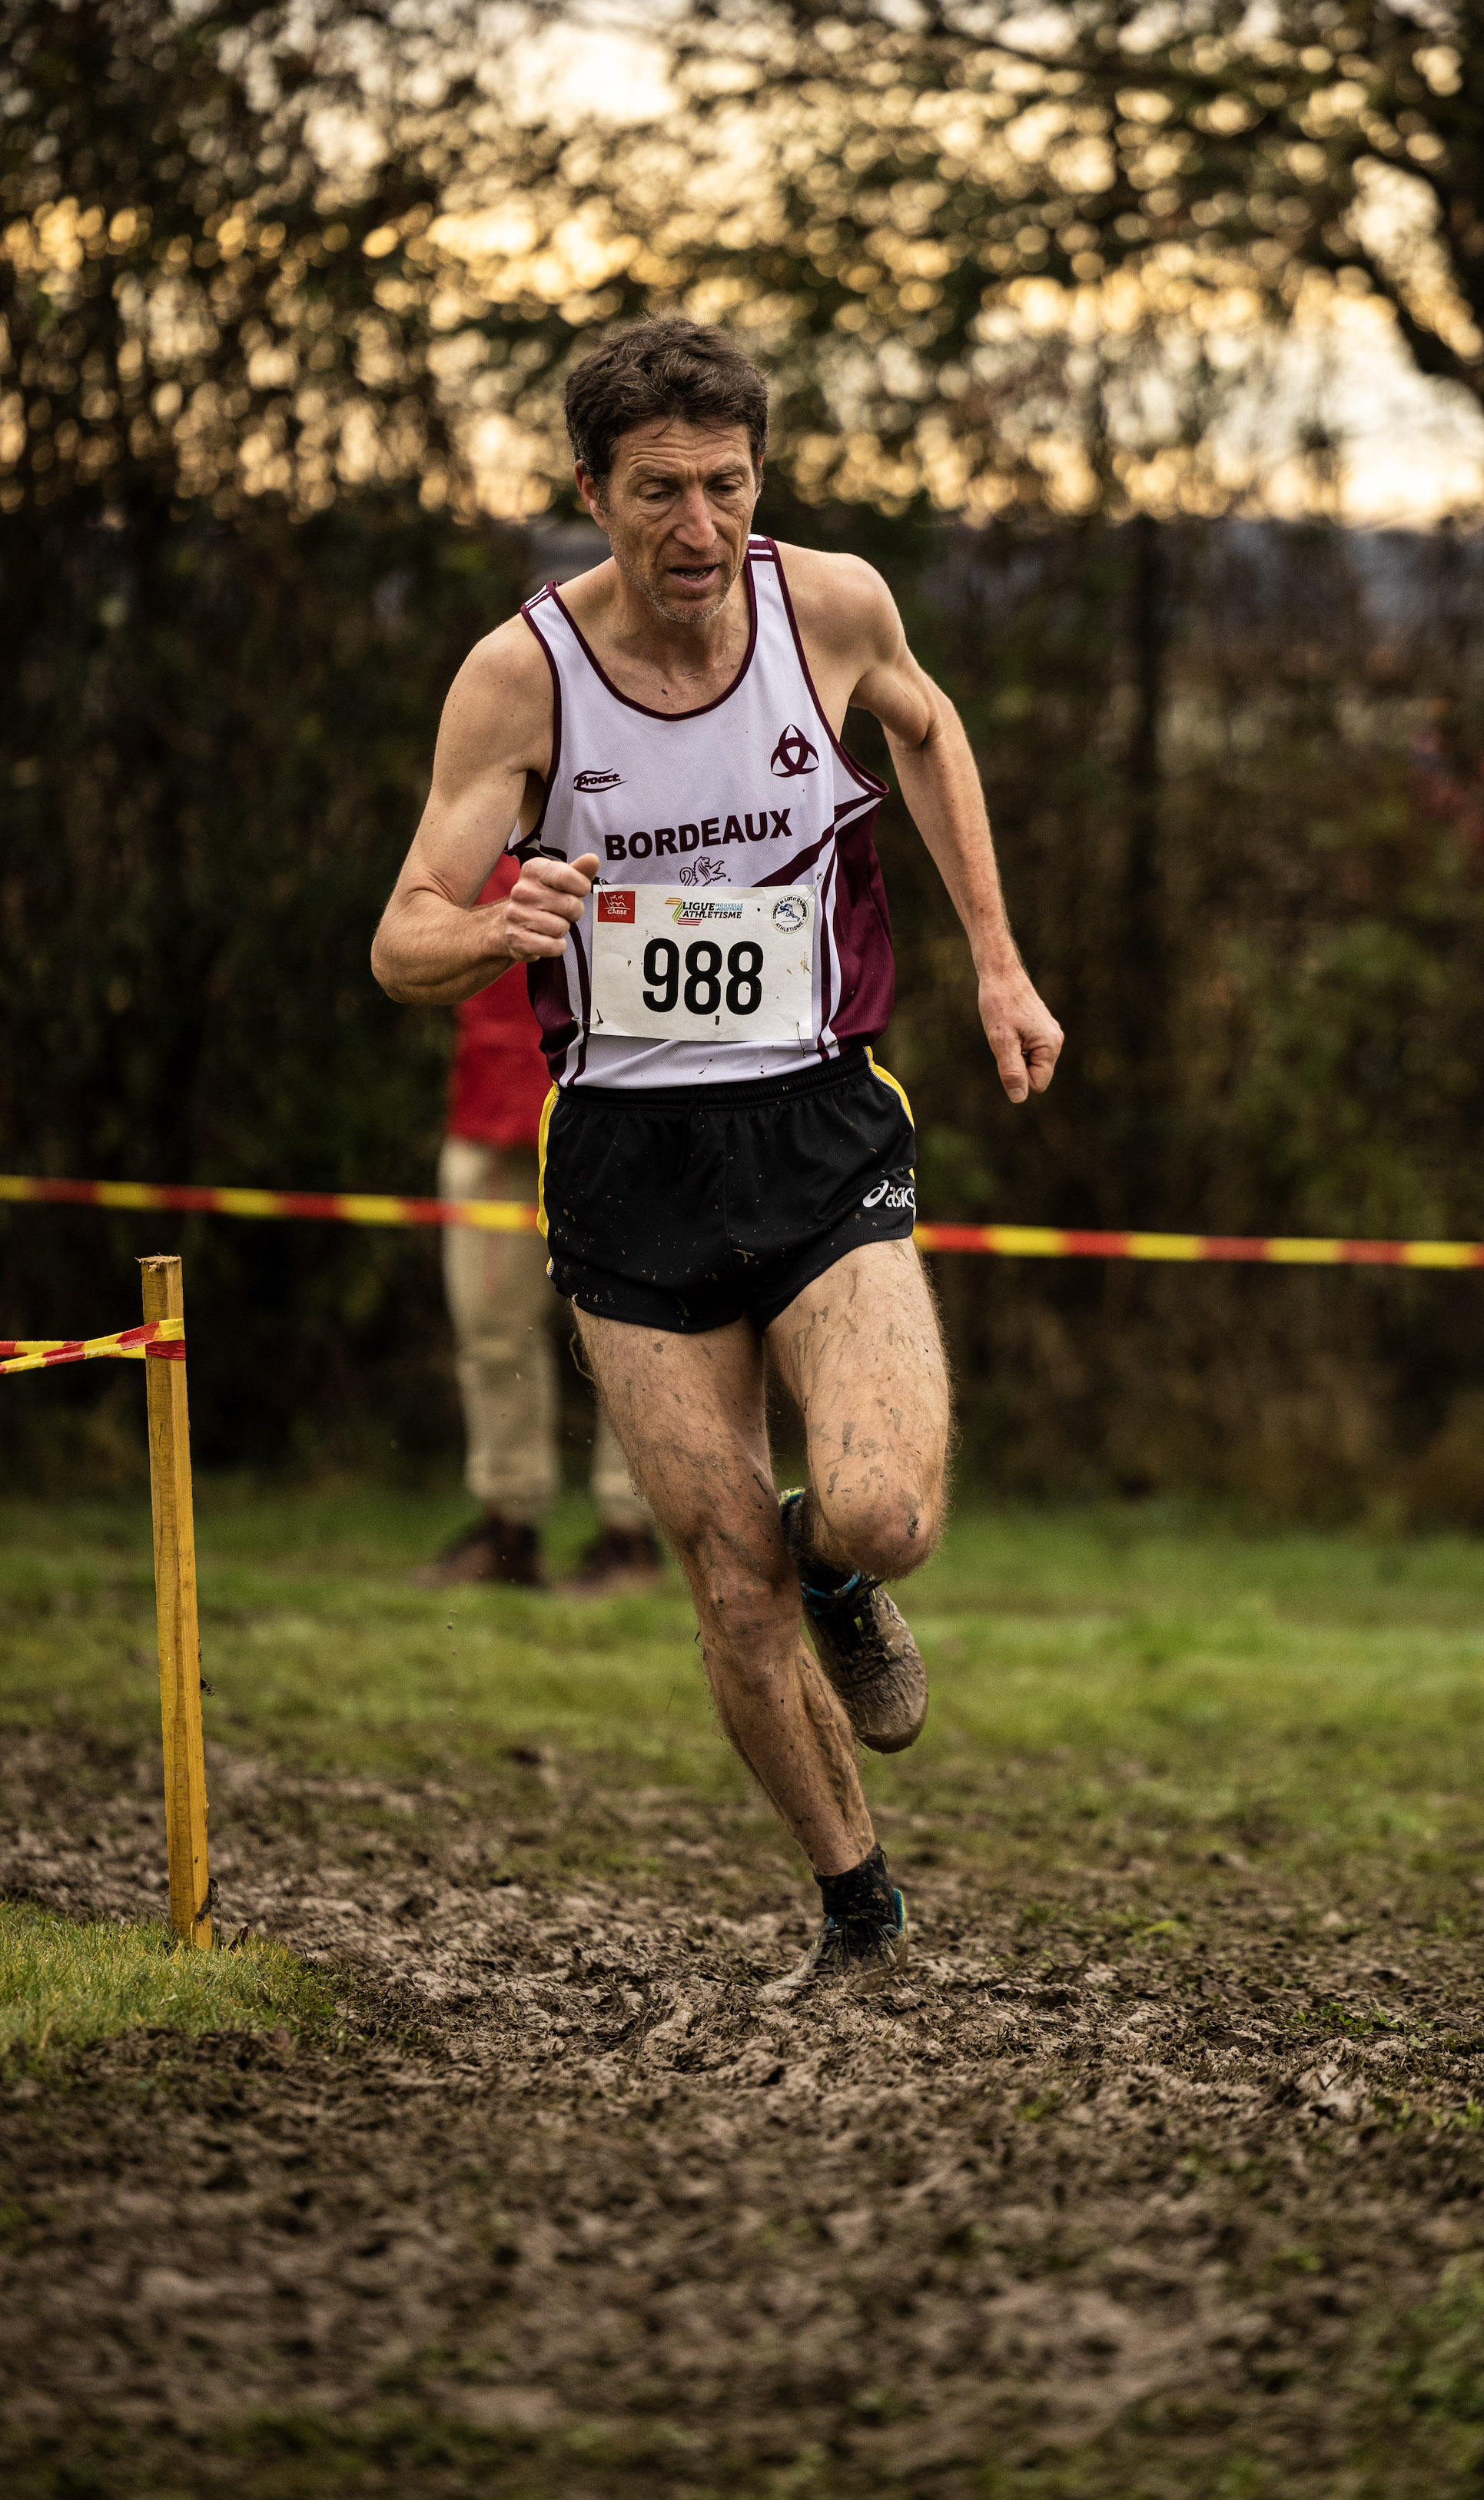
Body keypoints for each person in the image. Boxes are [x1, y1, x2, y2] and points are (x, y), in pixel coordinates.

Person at [372, 317, 1062, 1999]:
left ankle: (848, 1570)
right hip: (624, 1162)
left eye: (726, 486)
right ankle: (856, 1908)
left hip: (818, 1119)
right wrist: (486, 925)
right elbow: (397, 941)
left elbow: (927, 724)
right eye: (658, 492)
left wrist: (993, 953)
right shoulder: (517, 677)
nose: (695, 530)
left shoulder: (826, 604)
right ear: (591, 488)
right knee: (724, 1571)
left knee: (880, 1510)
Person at [414, 851, 666, 1594]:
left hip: (623, 1109)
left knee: (643, 1331)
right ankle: (507, 1522)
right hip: (495, 1112)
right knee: (492, 1331)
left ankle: (634, 1532)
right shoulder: (475, 795)